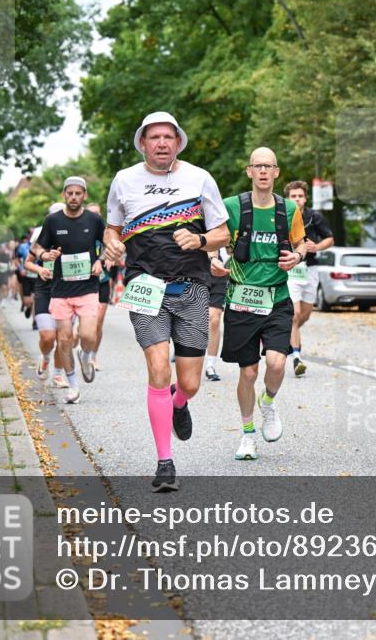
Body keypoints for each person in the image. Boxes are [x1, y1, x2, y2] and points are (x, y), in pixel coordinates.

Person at [103, 111, 230, 492]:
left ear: (177, 143)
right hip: (144, 285)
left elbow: (223, 231)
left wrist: (202, 241)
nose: (161, 143)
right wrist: (110, 243)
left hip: (191, 287)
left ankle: (179, 403)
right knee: (159, 368)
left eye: (168, 137)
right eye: (154, 137)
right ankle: (164, 462)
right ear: (143, 142)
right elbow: (113, 229)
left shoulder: (199, 178)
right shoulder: (124, 181)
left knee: (188, 383)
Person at [213, 147, 306, 462]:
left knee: (278, 364)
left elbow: (301, 242)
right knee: (248, 372)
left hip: (277, 298)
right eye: (258, 166)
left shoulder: (289, 209)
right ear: (249, 171)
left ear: (277, 172)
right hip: (241, 299)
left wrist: (298, 255)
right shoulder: (231, 207)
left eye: (269, 166)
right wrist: (212, 257)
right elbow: (213, 236)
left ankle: (268, 402)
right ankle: (247, 434)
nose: (264, 171)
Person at [33, 177, 105, 405]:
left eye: (78, 193)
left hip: (87, 287)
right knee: (63, 341)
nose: (73, 197)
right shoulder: (53, 220)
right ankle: (73, 385)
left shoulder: (94, 220)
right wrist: (46, 256)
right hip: (60, 289)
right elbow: (37, 247)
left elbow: (107, 245)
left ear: (84, 195)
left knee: (88, 336)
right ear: (64, 194)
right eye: (69, 193)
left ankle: (85, 357)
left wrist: (101, 260)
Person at [284, 180, 334, 377]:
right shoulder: (282, 215)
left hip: (310, 268)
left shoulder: (314, 216)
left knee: (304, 315)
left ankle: (287, 335)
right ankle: (296, 356)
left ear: (305, 198)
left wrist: (317, 247)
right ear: (288, 198)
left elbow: (330, 238)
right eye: (293, 196)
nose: (297, 199)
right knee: (294, 315)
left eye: (300, 196)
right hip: (291, 268)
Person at [86, 203, 117, 371]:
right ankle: (82, 348)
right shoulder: (79, 230)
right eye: (91, 213)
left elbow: (114, 247)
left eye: (97, 214)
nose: (95, 216)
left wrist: (110, 256)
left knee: (98, 321)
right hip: (82, 283)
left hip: (103, 281)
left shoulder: (106, 233)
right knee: (84, 324)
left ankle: (93, 356)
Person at [204, 247, 229, 382]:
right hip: (196, 271)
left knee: (214, 318)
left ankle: (210, 365)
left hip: (219, 273)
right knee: (193, 318)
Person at [15, 233, 35, 318]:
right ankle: (29, 307)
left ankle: (35, 322)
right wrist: (21, 269)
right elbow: (16, 260)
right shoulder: (23, 247)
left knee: (35, 299)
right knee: (27, 301)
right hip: (26, 276)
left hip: (38, 277)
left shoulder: (44, 246)